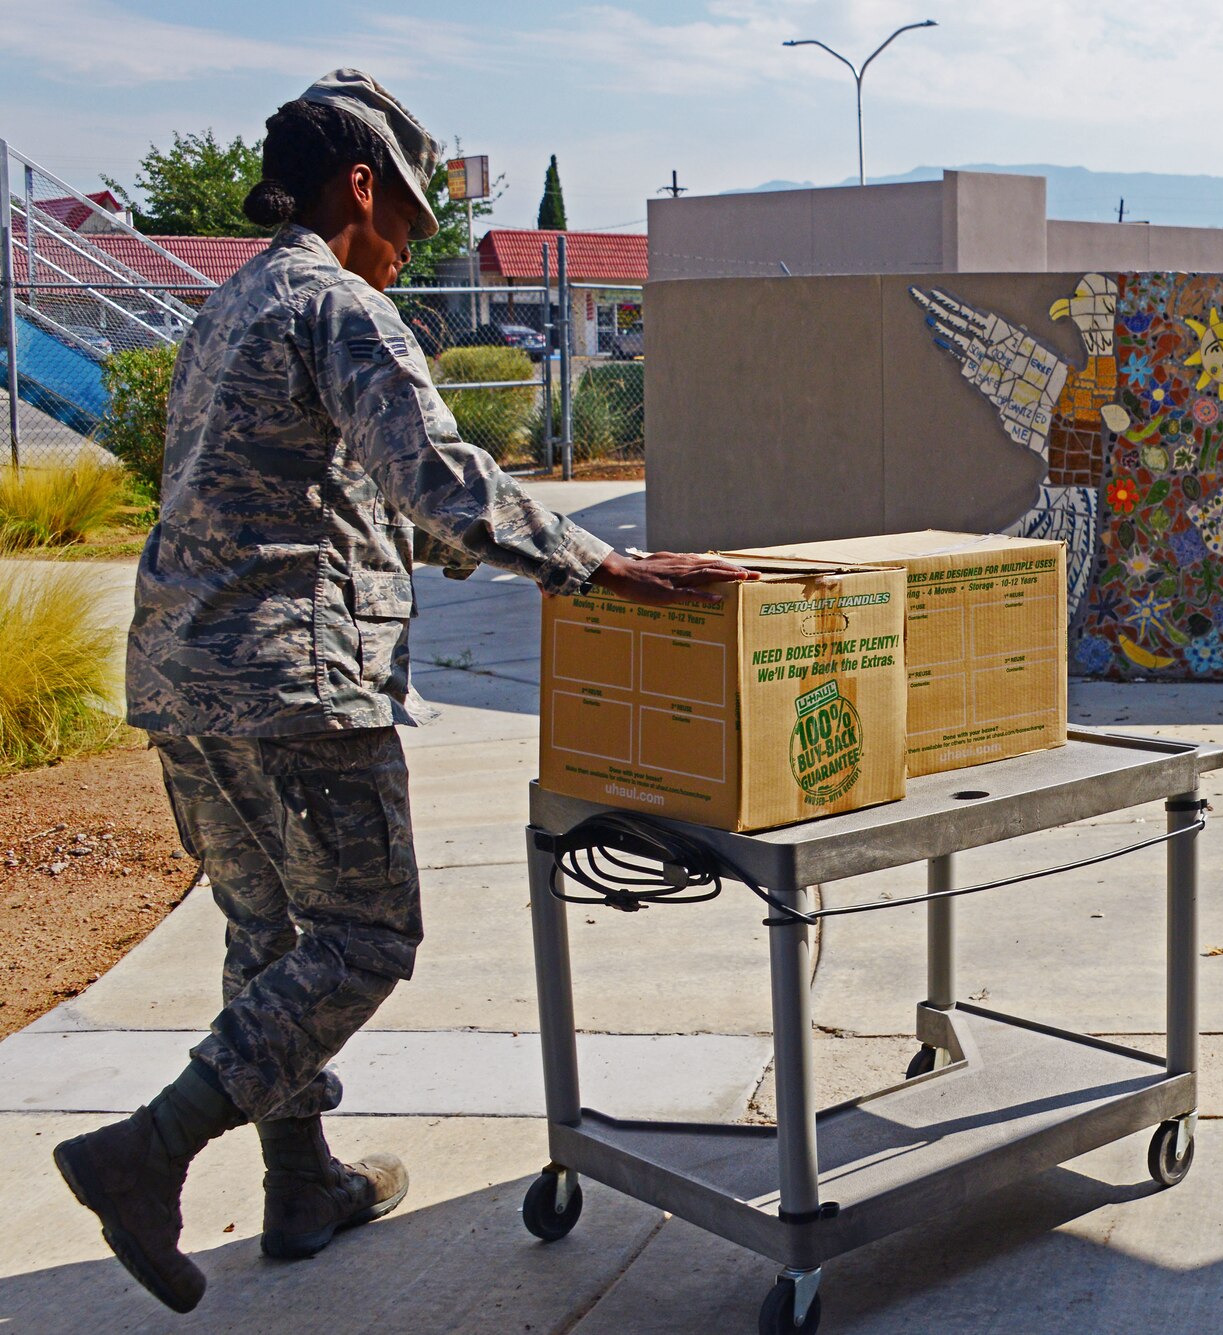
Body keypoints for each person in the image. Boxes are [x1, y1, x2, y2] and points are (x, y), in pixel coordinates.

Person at [50, 69, 755, 1314]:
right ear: (359, 186)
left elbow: (355, 495)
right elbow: (440, 476)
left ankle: (301, 1180)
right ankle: (146, 1151)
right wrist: (606, 565)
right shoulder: (340, 307)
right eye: (412, 222)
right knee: (367, 936)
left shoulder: (231, 309)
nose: (409, 247)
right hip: (297, 683)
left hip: (184, 679)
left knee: (271, 941)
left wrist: (476, 544)